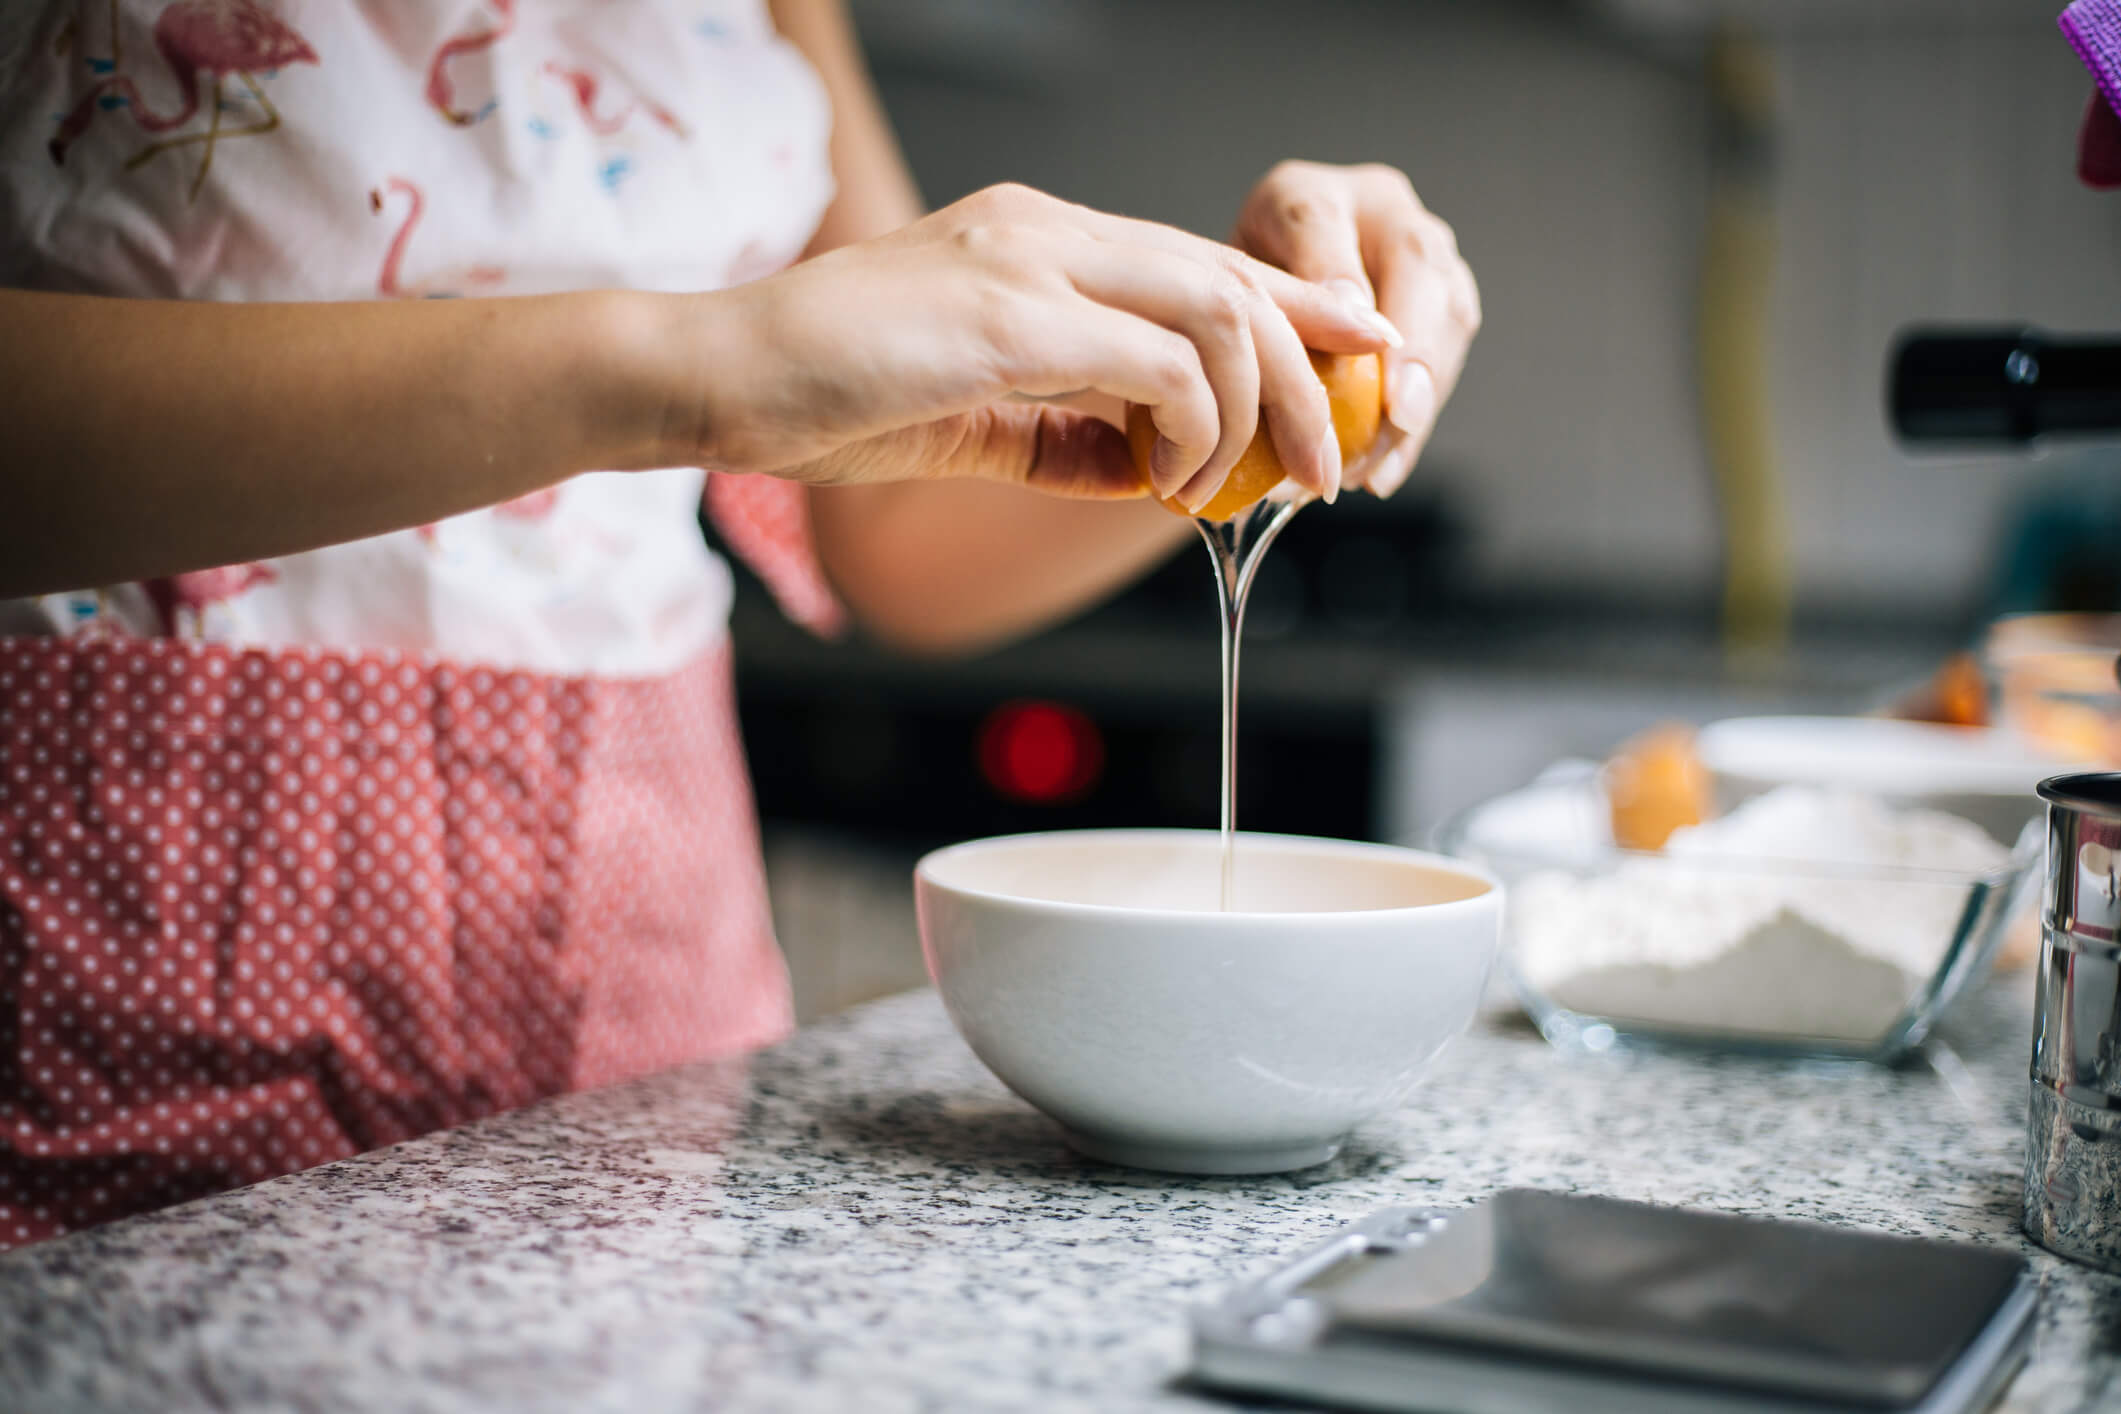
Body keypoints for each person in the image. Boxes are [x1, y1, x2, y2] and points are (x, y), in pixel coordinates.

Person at [0, 0, 1480, 1248]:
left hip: (650, 1013)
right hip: (116, 960)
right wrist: (692, 367)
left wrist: (1226, 366)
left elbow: (900, 530)